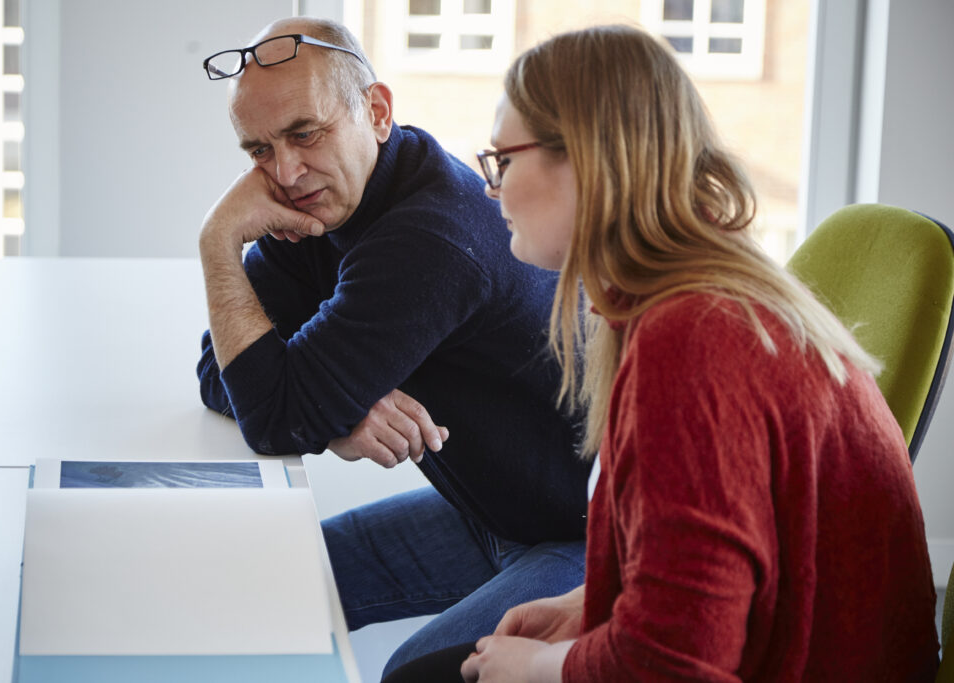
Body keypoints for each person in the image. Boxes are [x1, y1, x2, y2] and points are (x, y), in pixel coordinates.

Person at [386, 24, 940, 683]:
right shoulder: (690, 298)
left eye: (502, 161)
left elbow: (677, 664)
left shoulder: (693, 341)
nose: (491, 189)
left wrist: (543, 667)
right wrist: (585, 606)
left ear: (588, 161)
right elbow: (692, 570)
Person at [195, 16, 592, 675]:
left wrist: (216, 243)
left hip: (577, 538)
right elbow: (224, 370)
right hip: (488, 511)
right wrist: (343, 407)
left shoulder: (429, 236)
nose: (286, 171)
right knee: (274, 582)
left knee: (412, 673)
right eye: (259, 151)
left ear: (376, 111)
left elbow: (272, 415)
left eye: (304, 132)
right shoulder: (319, 204)